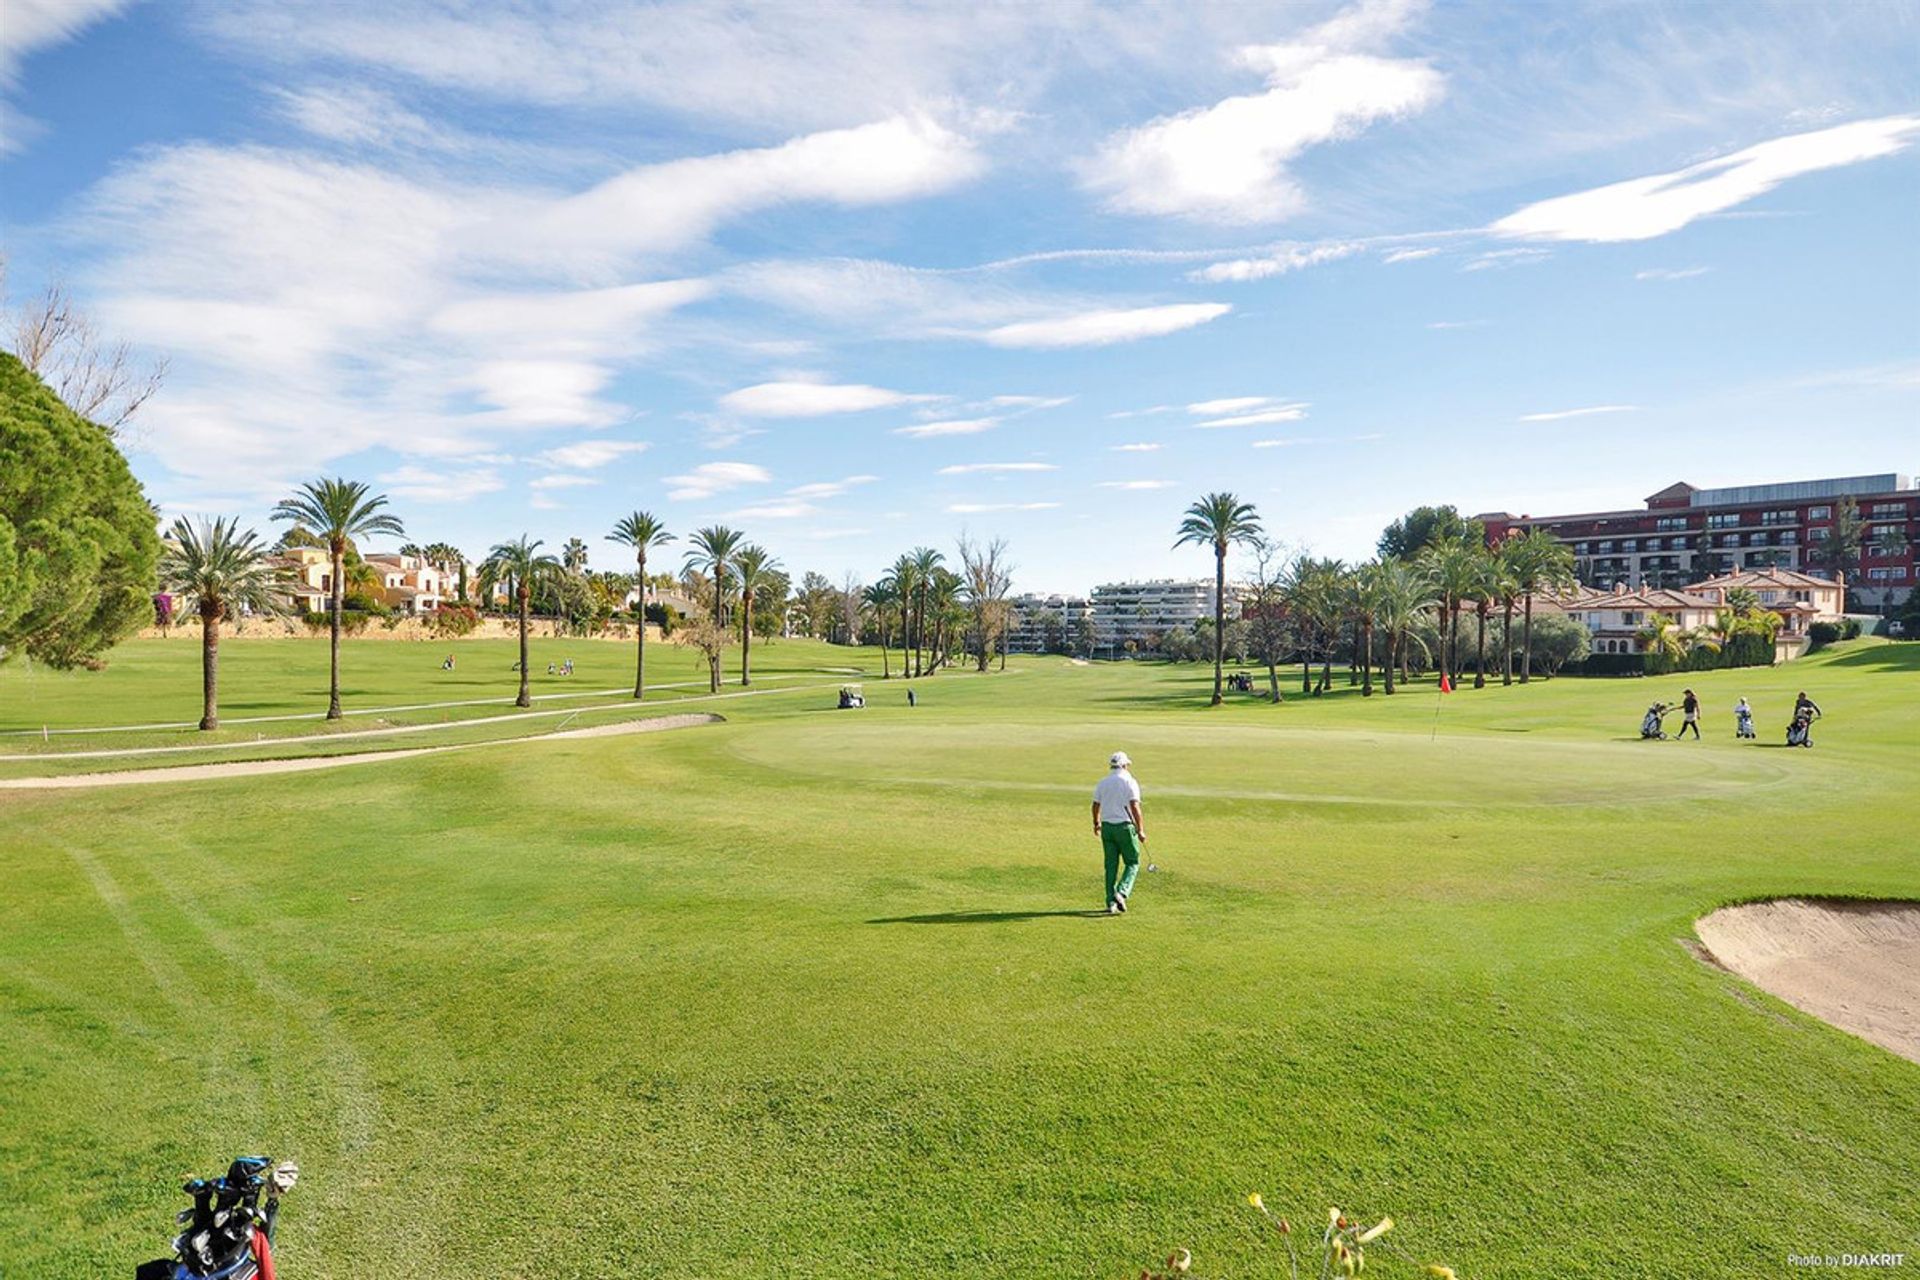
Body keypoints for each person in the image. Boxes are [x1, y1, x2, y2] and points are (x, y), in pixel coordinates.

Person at [1091, 751, 1147, 915]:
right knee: (1133, 862)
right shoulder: (1129, 781)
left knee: (1111, 866)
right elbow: (1135, 806)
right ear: (1124, 765)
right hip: (1125, 828)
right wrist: (1141, 829)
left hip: (1107, 828)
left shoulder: (1103, 782)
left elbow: (1095, 805)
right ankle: (1121, 892)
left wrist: (1096, 823)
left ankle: (1110, 902)